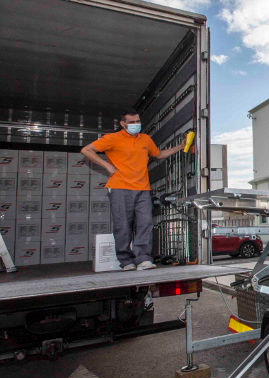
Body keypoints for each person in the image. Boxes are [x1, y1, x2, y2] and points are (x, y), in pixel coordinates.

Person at [81, 110, 190, 271]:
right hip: (119, 187)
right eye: (131, 122)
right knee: (123, 225)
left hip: (143, 189)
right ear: (123, 124)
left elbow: (159, 154)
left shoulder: (145, 139)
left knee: (145, 223)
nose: (135, 125)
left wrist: (180, 147)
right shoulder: (112, 139)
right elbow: (86, 150)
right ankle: (126, 261)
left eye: (137, 121)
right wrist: (107, 166)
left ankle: (144, 259)